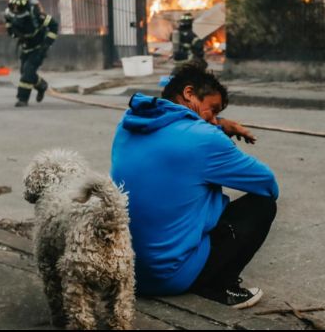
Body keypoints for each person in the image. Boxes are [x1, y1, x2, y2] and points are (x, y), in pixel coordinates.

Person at [110, 64, 278, 309]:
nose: (212, 119)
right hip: (168, 278)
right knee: (262, 206)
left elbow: (175, 138)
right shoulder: (204, 138)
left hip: (125, 271)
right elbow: (267, 184)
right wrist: (217, 134)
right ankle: (219, 285)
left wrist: (219, 124)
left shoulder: (127, 125)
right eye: (213, 110)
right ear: (189, 93)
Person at [4, 0, 58, 107]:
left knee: (28, 72)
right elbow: (9, 26)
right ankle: (41, 85)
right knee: (25, 73)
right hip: (26, 47)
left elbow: (54, 25)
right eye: (13, 7)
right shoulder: (9, 14)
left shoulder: (36, 14)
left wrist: (47, 44)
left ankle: (22, 99)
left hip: (39, 47)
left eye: (18, 8)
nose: (15, 10)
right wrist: (14, 34)